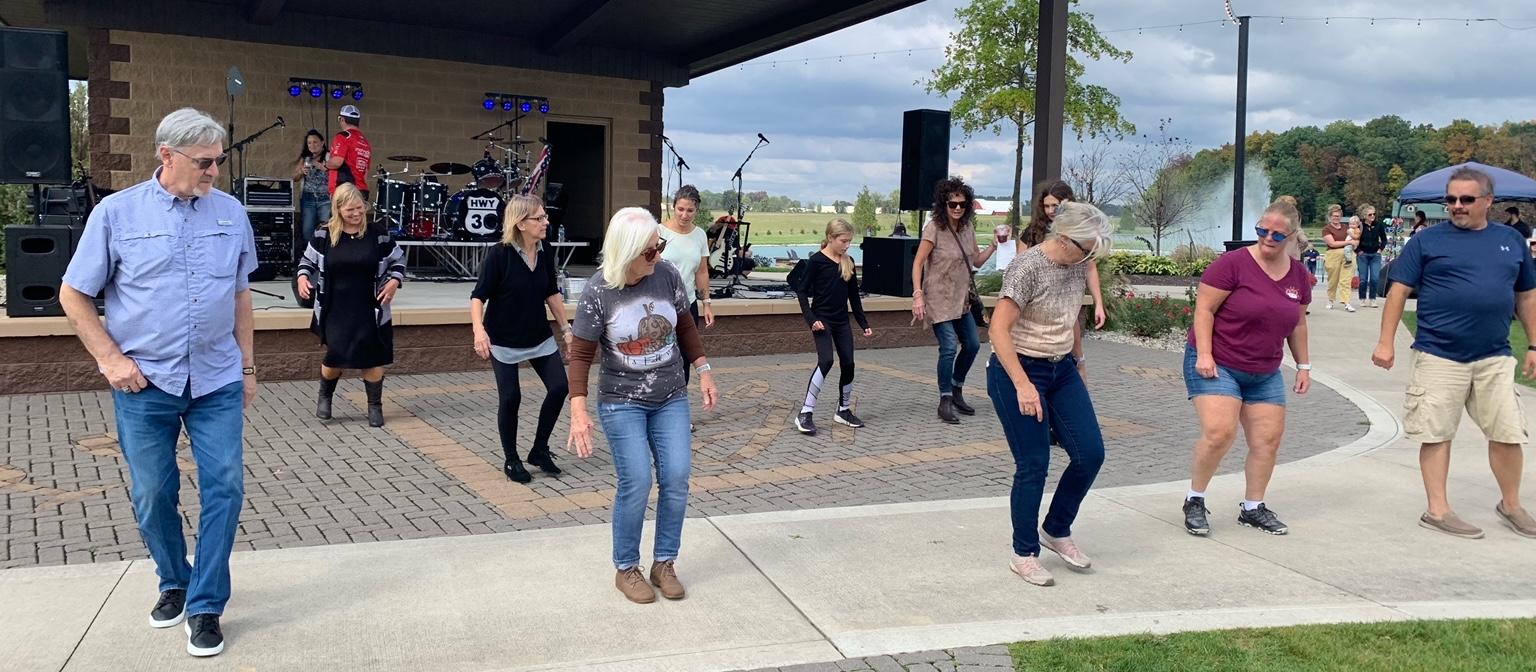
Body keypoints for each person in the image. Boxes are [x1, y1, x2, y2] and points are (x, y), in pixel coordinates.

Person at [58, 107, 256, 657]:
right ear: (166, 156)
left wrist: (248, 366)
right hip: (144, 384)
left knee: (226, 487)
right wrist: (110, 360)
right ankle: (174, 580)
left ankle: (206, 605)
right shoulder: (116, 214)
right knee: (153, 494)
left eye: (218, 160)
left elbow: (240, 295)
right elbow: (73, 294)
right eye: (205, 162)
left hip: (216, 379)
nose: (216, 170)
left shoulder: (231, 213)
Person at [1374, 167, 1536, 541]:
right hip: (1439, 353)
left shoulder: (1510, 240)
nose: (1457, 206)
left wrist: (1532, 344)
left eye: (1466, 199)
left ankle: (1511, 504)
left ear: (1488, 201)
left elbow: (1526, 294)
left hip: (1494, 355)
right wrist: (1385, 342)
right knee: (1436, 432)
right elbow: (1398, 291)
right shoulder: (1426, 242)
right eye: (1451, 200)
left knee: (1508, 432)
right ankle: (1438, 509)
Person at [566, 207, 719, 603]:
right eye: (650, 250)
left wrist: (703, 369)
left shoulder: (666, 275)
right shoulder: (599, 291)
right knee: (636, 481)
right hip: (622, 401)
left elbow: (684, 325)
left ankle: (664, 562)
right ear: (628, 251)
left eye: (659, 246)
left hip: (670, 396)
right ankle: (626, 567)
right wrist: (578, 413)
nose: (659, 254)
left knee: (677, 478)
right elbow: (580, 356)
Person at [986, 202, 1111, 587]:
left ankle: (1056, 528)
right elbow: (997, 330)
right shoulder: (1028, 267)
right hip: (1018, 370)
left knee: (1090, 453)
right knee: (1034, 463)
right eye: (1087, 248)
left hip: (1062, 369)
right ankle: (1024, 553)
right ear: (1064, 237)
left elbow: (1072, 317)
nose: (1090, 256)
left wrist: (1081, 366)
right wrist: (1024, 385)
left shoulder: (1076, 266)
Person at [1181, 200, 1313, 537]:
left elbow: (1297, 325)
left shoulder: (1299, 274)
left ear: (1292, 235)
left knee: (1267, 440)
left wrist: (1303, 365)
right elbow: (1204, 311)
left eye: (1277, 234)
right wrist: (1205, 356)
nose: (1268, 238)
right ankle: (1195, 499)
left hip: (1264, 369)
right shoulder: (1232, 264)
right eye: (1262, 231)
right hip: (1219, 360)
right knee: (1220, 432)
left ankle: (1253, 507)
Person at [471, 194, 571, 483]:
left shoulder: (545, 249)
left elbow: (551, 291)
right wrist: (479, 330)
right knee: (511, 397)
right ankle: (512, 459)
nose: (545, 222)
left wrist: (566, 329)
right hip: (502, 338)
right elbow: (478, 297)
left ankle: (539, 450)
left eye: (544, 216)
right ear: (521, 223)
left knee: (559, 387)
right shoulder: (499, 254)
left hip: (538, 334)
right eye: (539, 218)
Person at [296, 183, 405, 427]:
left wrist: (395, 281)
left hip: (370, 306)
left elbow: (399, 259)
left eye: (360, 208)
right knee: (335, 356)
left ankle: (374, 406)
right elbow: (307, 261)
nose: (356, 214)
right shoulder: (324, 234)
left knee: (372, 357)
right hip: (335, 306)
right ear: (337, 210)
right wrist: (303, 278)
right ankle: (325, 395)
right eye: (350, 211)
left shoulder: (378, 233)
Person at [912, 177, 998, 424]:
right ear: (943, 204)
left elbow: (977, 262)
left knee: (972, 344)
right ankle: (945, 398)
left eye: (962, 204)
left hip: (961, 300)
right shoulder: (934, 229)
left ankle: (957, 387)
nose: (958, 208)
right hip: (938, 298)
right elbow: (918, 263)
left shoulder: (968, 228)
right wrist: (918, 295)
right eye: (952, 204)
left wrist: (993, 245)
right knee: (949, 346)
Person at [792, 219, 873, 435]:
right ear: (831, 238)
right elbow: (801, 291)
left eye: (849, 241)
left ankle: (843, 410)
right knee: (826, 360)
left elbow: (854, 297)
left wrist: (863, 323)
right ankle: (805, 413)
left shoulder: (848, 262)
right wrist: (811, 319)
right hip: (822, 321)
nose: (847, 245)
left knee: (849, 364)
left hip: (842, 322)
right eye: (843, 241)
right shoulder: (816, 261)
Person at [1024, 181, 1107, 328]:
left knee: (1072, 342)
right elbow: (1021, 264)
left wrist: (1098, 303)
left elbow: (1090, 267)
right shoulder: (1033, 231)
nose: (1050, 211)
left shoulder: (1080, 234)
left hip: (1067, 301)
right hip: (1038, 303)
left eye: (1055, 206)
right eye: (1046, 206)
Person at [658, 185, 715, 359]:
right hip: (662, 302)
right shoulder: (659, 232)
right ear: (673, 207)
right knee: (662, 352)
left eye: (690, 210)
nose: (684, 215)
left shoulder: (699, 235)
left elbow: (702, 271)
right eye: (680, 209)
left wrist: (706, 303)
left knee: (685, 354)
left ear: (697, 210)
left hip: (687, 302)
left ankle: (683, 387)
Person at [292, 129, 331, 244]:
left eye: (315, 142)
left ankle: (324, 254)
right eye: (309, 143)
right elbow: (294, 177)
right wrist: (301, 171)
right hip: (308, 198)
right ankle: (309, 255)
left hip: (325, 198)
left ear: (322, 143)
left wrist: (320, 166)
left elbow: (336, 175)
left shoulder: (329, 156)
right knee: (307, 230)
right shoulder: (305, 158)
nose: (312, 145)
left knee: (325, 228)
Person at [325, 104, 372, 199]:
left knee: (340, 214)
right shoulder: (366, 142)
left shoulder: (343, 136)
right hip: (361, 190)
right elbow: (365, 172)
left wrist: (326, 164)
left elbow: (337, 162)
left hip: (344, 190)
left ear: (342, 119)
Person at [1320, 205, 1356, 312]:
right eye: (1334, 216)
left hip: (1347, 255)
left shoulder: (1346, 228)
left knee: (1346, 279)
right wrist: (1348, 242)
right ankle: (1331, 299)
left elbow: (1354, 237)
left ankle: (1346, 302)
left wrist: (1354, 242)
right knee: (1333, 280)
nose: (1336, 218)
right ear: (1330, 217)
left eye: (1338, 216)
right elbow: (1332, 243)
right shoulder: (1326, 229)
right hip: (1333, 255)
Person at [1354, 204, 1388, 308]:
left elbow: (1384, 239)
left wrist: (1380, 249)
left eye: (1374, 214)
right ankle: (1362, 298)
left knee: (1374, 278)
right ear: (1365, 216)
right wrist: (1358, 251)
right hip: (1363, 255)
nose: (1372, 216)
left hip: (1375, 255)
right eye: (1370, 214)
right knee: (1363, 279)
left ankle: (1373, 299)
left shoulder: (1379, 225)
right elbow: (1353, 240)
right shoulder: (1360, 226)